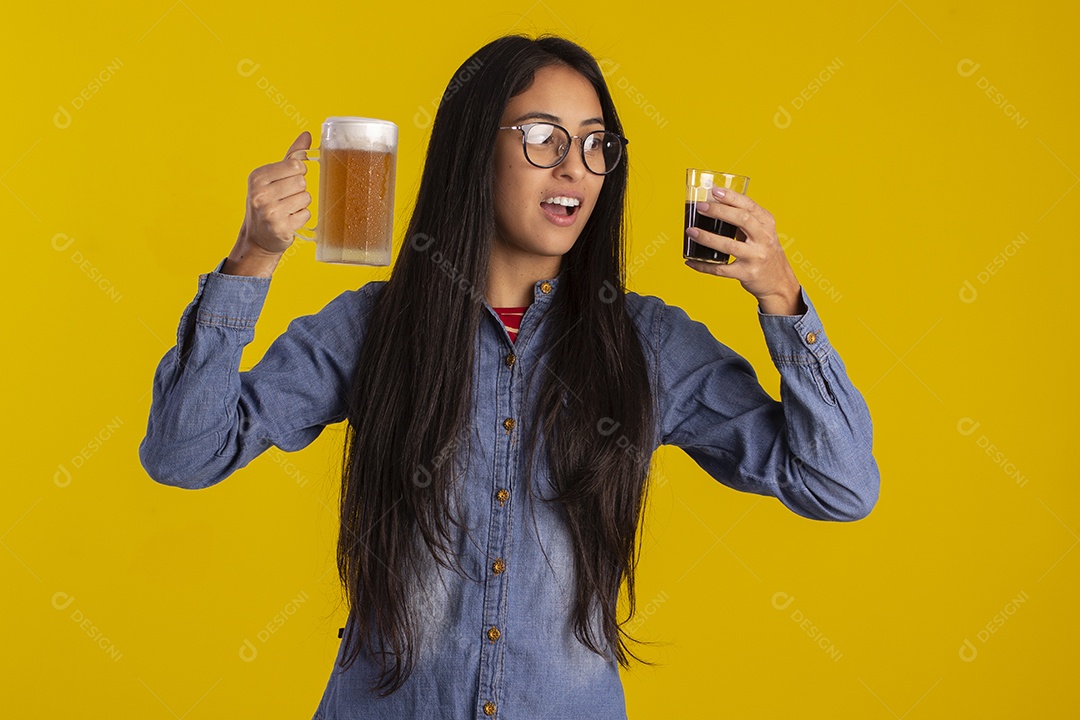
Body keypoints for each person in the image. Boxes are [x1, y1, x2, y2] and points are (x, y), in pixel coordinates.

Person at [139, 34, 879, 720]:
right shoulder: (374, 325)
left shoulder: (646, 344)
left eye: (595, 144)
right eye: (542, 137)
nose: (574, 167)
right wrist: (252, 258)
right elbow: (184, 452)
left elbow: (838, 484)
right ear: (474, 149)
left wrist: (782, 296)